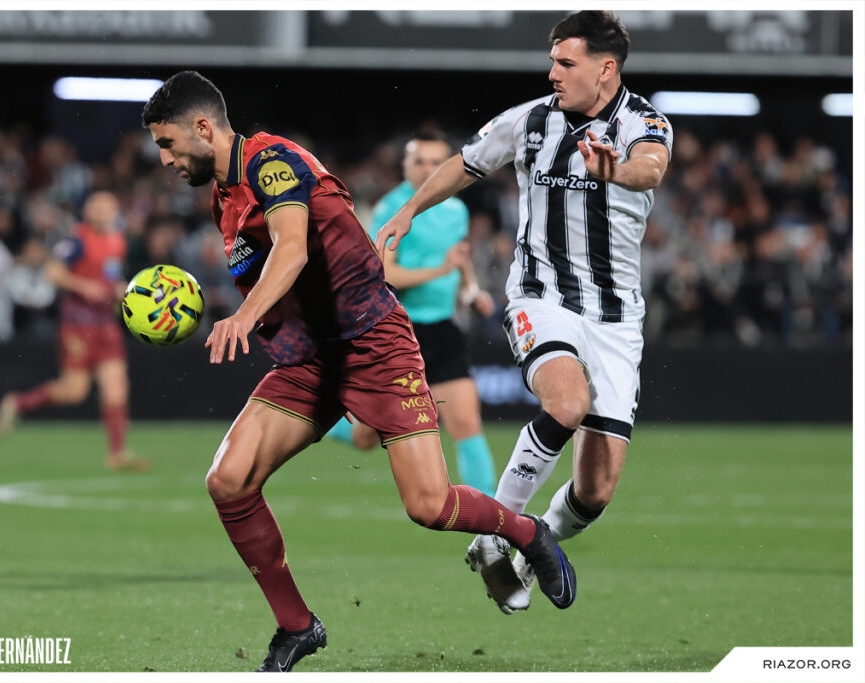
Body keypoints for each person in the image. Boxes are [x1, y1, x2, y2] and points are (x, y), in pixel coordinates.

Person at [142, 71, 576, 673]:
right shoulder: (223, 196)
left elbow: (293, 246)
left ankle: (527, 532)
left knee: (428, 504)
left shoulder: (271, 162)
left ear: (201, 128)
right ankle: (297, 626)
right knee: (228, 481)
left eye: (166, 143)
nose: (162, 158)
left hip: (374, 344)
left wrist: (242, 316)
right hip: (311, 360)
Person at [374, 11, 671, 614]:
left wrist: (610, 167)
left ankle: (533, 546)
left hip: (616, 318)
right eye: (553, 61)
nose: (553, 72)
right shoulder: (530, 121)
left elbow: (651, 167)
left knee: (596, 489)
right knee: (566, 403)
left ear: (605, 68)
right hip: (542, 295)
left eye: (567, 63)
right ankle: (495, 535)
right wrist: (410, 212)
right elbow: (466, 162)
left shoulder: (645, 122)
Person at [326, 131, 498, 497]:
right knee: (366, 436)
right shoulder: (392, 208)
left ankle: (494, 522)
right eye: (419, 161)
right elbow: (384, 273)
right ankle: (329, 423)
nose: (427, 169)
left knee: (466, 422)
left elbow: (459, 259)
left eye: (436, 162)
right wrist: (440, 272)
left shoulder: (456, 209)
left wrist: (472, 292)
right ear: (404, 166)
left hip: (443, 329)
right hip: (399, 333)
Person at [0, 191, 147, 472]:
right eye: (97, 207)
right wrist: (83, 286)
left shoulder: (117, 242)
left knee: (117, 387)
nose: (102, 212)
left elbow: (111, 278)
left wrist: (122, 291)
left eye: (107, 207)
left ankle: (117, 453)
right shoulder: (77, 239)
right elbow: (53, 272)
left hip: (106, 324)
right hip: (79, 324)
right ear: (88, 212)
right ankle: (18, 403)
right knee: (75, 391)